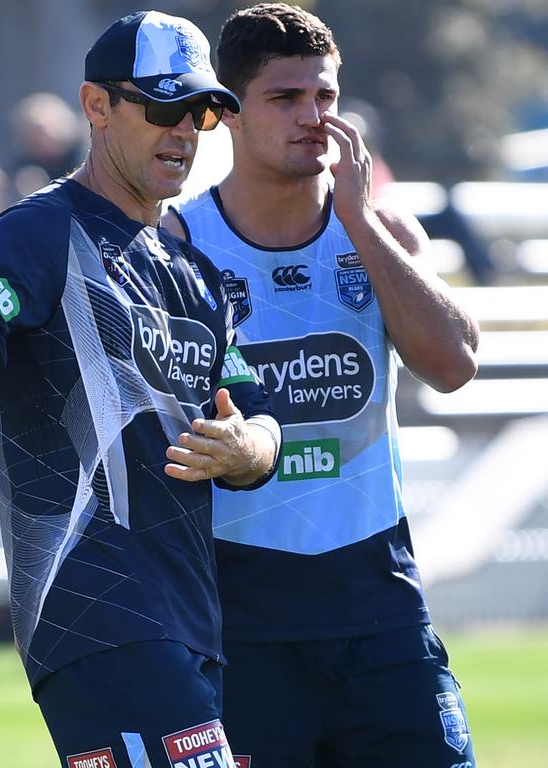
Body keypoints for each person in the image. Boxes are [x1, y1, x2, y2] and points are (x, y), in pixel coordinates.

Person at [0, 11, 280, 768]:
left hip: (190, 619)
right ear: (96, 107)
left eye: (200, 113)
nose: (185, 133)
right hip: (95, 609)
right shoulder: (41, 230)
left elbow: (256, 421)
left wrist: (246, 447)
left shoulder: (198, 278)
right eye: (163, 108)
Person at [163, 5, 480, 767]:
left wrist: (360, 221)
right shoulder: (176, 244)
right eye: (285, 99)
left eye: (326, 98)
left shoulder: (382, 230)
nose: (313, 117)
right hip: (240, 623)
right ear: (229, 115)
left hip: (380, 607)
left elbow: (454, 364)